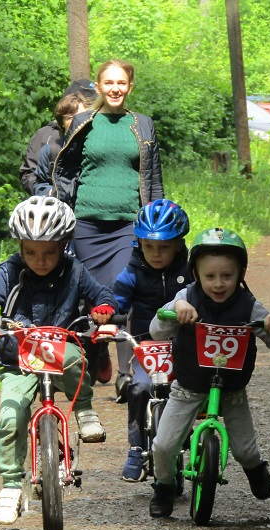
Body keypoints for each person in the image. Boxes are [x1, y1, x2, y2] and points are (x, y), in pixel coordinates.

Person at [0, 196, 116, 526]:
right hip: (18, 357)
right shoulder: (10, 272)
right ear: (20, 246)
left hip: (61, 349)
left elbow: (102, 294)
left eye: (49, 252)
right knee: (10, 419)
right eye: (31, 252)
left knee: (76, 361)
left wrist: (103, 308)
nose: (40, 260)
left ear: (63, 246)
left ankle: (84, 410)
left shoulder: (75, 271)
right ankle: (10, 485)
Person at [145, 228, 270, 519]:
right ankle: (164, 486)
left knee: (245, 450)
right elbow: (156, 330)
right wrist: (175, 309)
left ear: (240, 274)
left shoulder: (249, 305)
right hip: (189, 385)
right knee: (163, 445)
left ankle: (255, 468)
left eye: (227, 276)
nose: (219, 283)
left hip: (231, 388)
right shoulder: (186, 297)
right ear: (196, 274)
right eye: (210, 276)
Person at [52, 59, 165, 396]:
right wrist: (61, 212)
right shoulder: (83, 122)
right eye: (109, 82)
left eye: (122, 83)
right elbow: (66, 171)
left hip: (128, 224)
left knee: (123, 293)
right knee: (91, 297)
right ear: (99, 86)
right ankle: (96, 351)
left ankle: (127, 375)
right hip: (87, 224)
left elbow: (153, 178)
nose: (115, 88)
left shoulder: (142, 125)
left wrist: (156, 218)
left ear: (130, 86)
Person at [111, 199, 191, 482]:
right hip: (147, 347)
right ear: (139, 244)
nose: (156, 254)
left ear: (178, 245)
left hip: (186, 346)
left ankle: (190, 436)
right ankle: (136, 448)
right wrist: (107, 320)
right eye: (149, 246)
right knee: (140, 387)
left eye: (164, 247)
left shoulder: (191, 271)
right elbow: (116, 302)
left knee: (192, 389)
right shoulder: (133, 272)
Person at [19, 79, 96, 195]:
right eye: (70, 116)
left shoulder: (100, 140)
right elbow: (30, 176)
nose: (77, 120)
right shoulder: (46, 137)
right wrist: (51, 193)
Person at [32, 94, 87, 197]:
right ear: (62, 123)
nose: (76, 121)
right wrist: (53, 192)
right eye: (70, 118)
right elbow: (39, 186)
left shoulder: (97, 148)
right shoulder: (50, 151)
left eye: (81, 116)